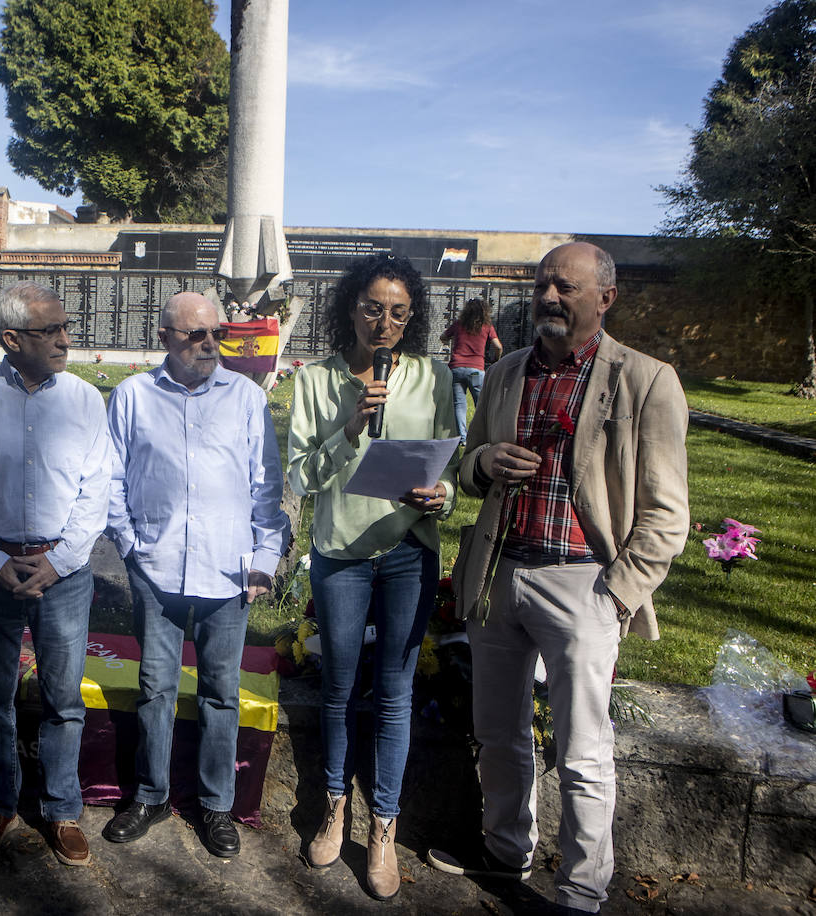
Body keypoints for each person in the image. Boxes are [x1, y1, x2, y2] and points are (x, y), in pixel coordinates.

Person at [428, 242, 689, 914]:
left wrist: (616, 593)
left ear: (605, 297)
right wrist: (486, 462)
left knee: (582, 752)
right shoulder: (507, 370)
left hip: (585, 585)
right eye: (543, 283)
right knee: (498, 732)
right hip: (499, 575)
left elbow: (666, 515)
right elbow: (466, 468)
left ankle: (579, 891)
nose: (549, 296)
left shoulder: (646, 380)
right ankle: (504, 851)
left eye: (565, 287)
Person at [287, 254, 458, 898]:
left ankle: (383, 823)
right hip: (342, 553)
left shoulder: (432, 376)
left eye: (397, 312)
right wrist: (351, 425)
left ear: (410, 319)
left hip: (409, 551)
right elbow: (301, 475)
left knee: (395, 690)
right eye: (371, 307)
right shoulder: (316, 380)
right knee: (338, 684)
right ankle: (334, 802)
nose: (382, 323)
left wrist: (440, 496)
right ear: (350, 306)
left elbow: (451, 464)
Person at [102, 291, 290, 858]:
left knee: (220, 693)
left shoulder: (246, 399)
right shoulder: (133, 396)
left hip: (226, 573)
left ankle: (215, 806)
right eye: (196, 335)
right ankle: (151, 795)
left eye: (217, 333)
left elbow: (267, 485)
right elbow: (112, 475)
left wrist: (264, 559)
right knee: (155, 688)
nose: (210, 344)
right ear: (165, 339)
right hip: (155, 570)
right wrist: (131, 545)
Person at [0, 281, 110, 867]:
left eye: (65, 328)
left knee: (64, 698)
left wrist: (58, 563)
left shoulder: (85, 399)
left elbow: (96, 489)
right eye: (50, 330)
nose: (65, 339)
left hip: (65, 571)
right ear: (11, 339)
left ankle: (61, 810)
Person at [440, 297, 503, 443]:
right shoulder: (487, 327)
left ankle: (463, 438)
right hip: (476, 370)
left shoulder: (459, 325)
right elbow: (498, 346)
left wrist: (448, 341)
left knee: (459, 404)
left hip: (456, 368)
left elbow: (443, 337)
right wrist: (496, 359)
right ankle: (483, 436)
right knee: (480, 404)